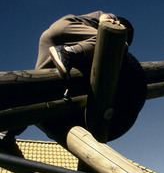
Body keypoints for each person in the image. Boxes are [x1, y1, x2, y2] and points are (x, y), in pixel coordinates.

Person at [0, 11, 134, 150]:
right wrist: (113, 24)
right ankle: (68, 52)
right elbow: (105, 18)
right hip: (66, 28)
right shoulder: (110, 19)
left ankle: (6, 133)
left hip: (52, 39)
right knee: (114, 42)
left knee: (38, 92)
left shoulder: (86, 42)